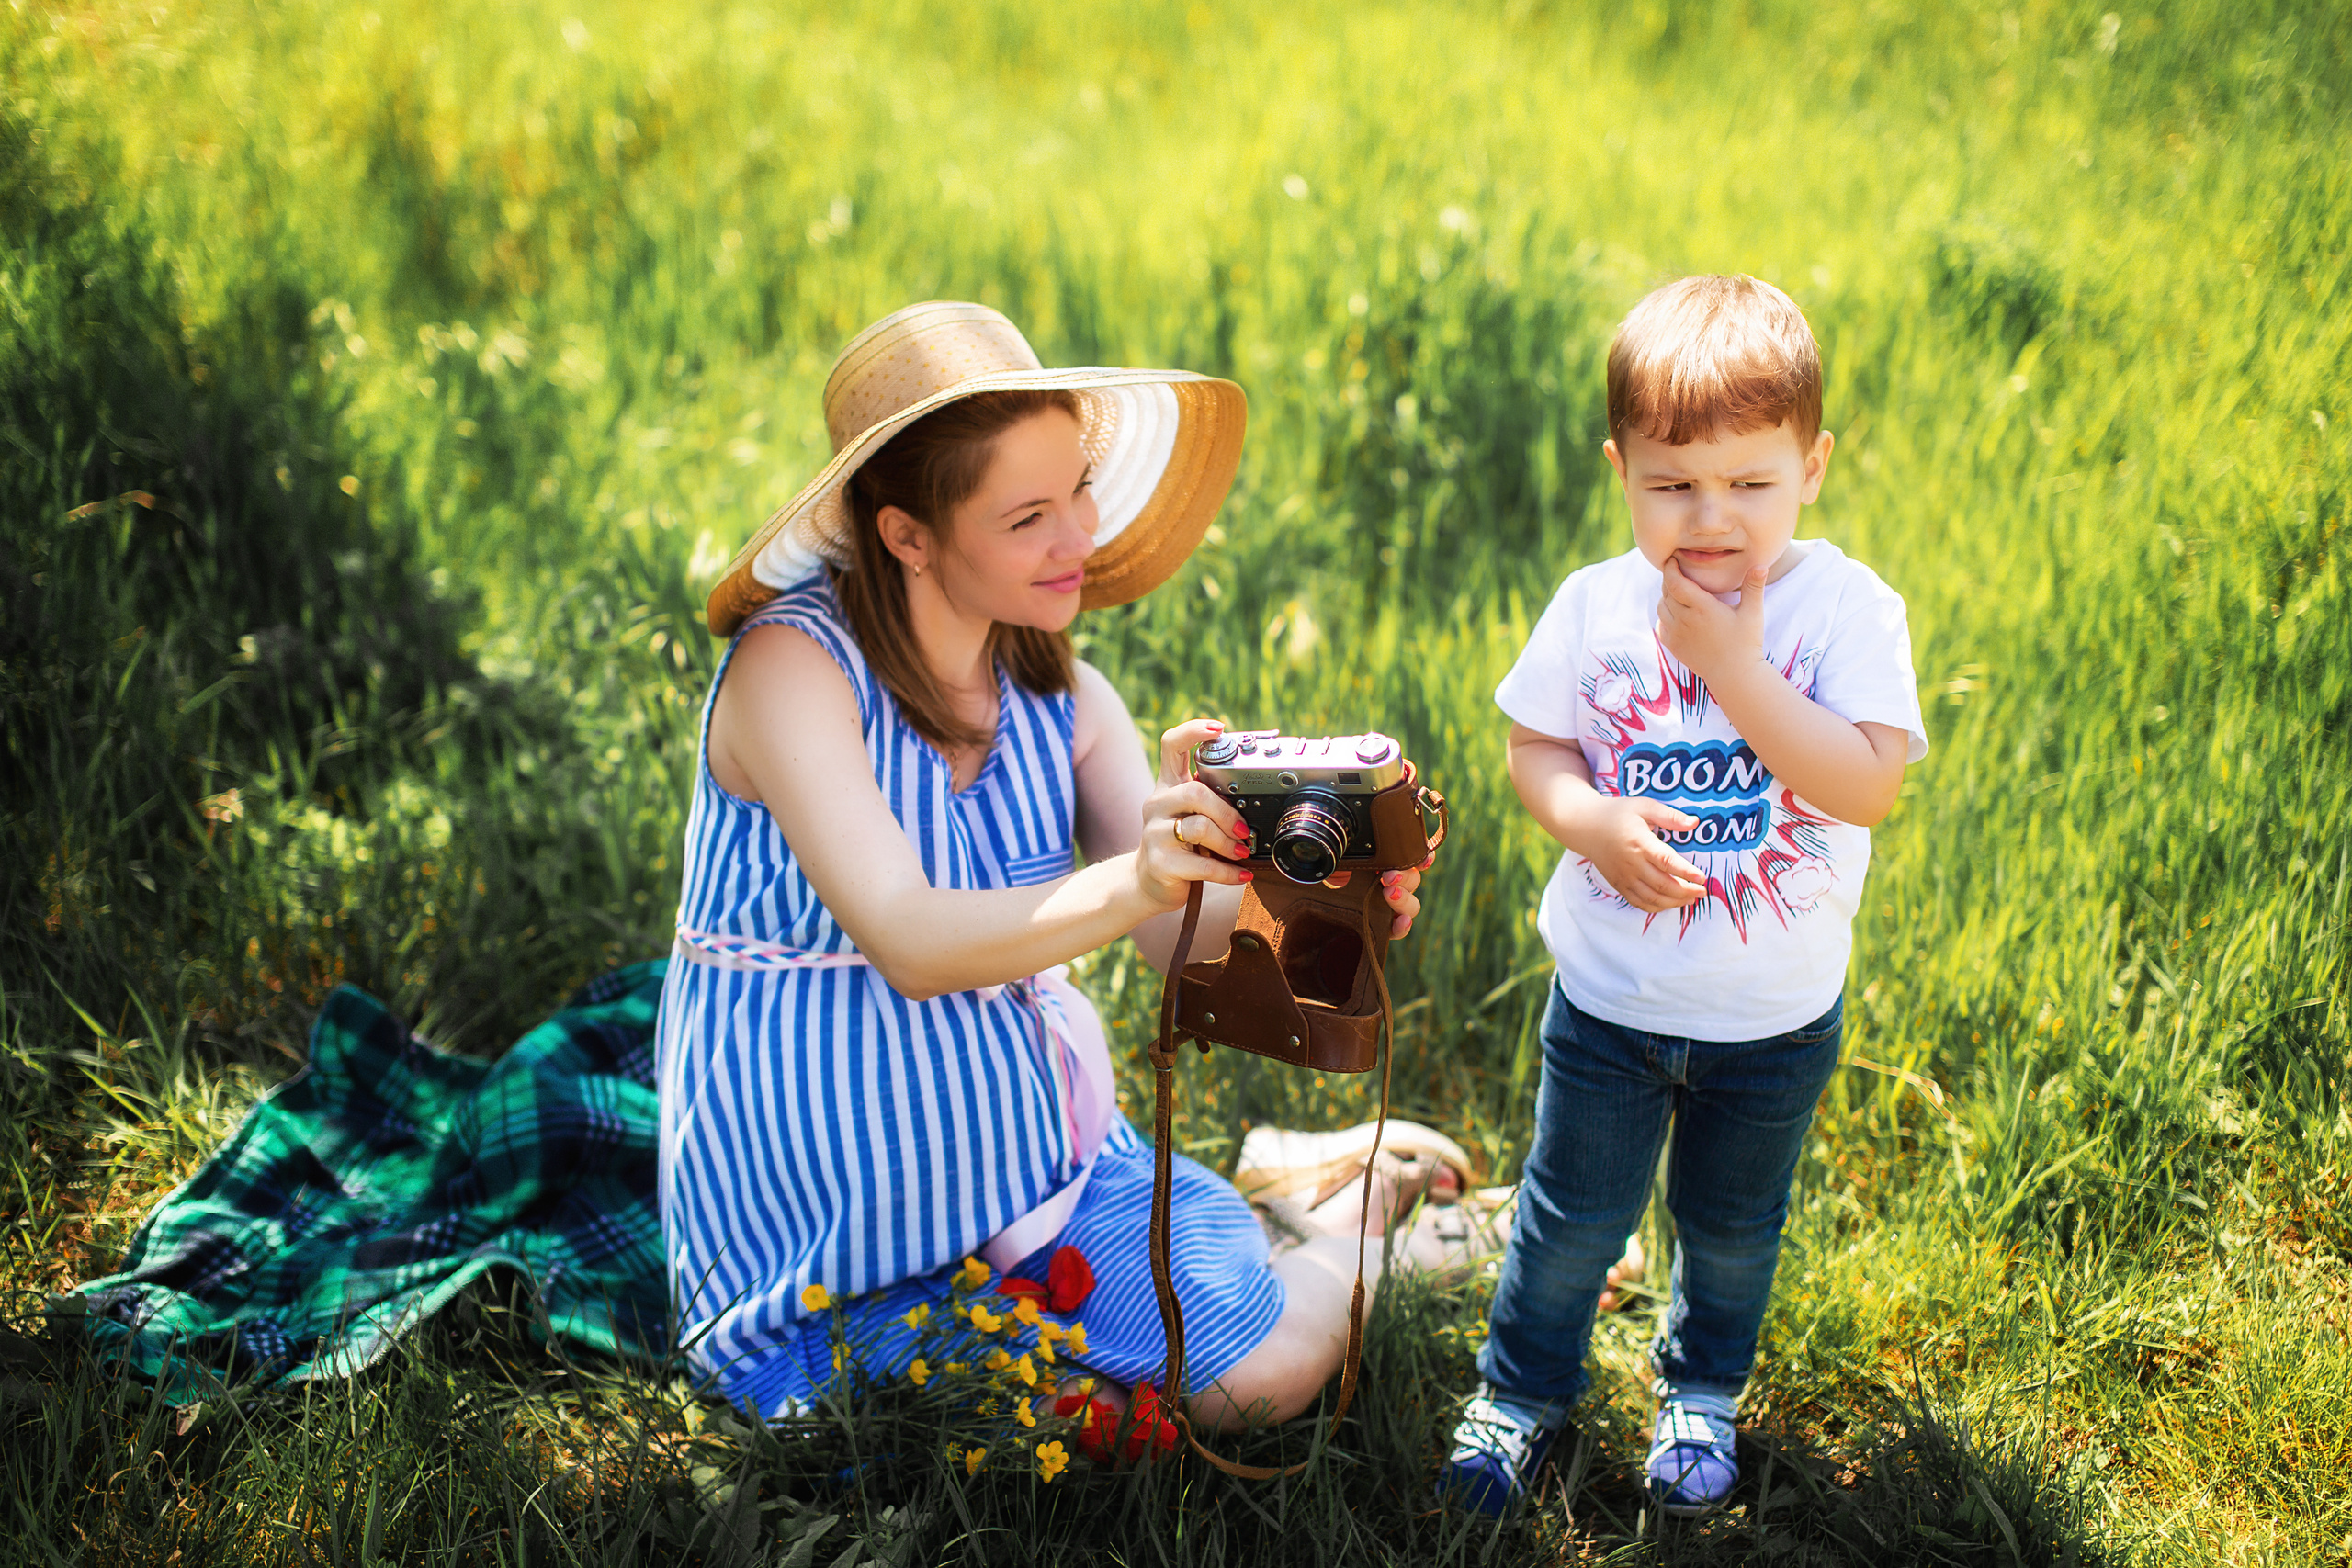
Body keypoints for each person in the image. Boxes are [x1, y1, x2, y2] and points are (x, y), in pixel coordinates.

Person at [656, 301, 1454, 1439]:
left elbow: (1170, 944)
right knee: (943, 1432)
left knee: (1251, 1382)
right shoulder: (792, 670)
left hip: (1035, 1183)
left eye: (1078, 489)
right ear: (907, 536)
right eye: (1027, 515)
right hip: (824, 1237)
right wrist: (1142, 874)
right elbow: (908, 937)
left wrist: (1313, 897)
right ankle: (1304, 1216)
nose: (1078, 534)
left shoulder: (1064, 701)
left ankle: (1360, 1241)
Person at [1441, 276, 1929, 1516]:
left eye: (1750, 484)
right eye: (1671, 485)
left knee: (1728, 1230)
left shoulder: (1848, 610)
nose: (1712, 520)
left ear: (1812, 466)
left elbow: (1867, 784)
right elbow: (1533, 748)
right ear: (1622, 470)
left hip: (1771, 1021)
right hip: (1609, 1005)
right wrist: (1592, 822)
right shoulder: (1595, 606)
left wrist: (1730, 665)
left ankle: (1700, 1387)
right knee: (1566, 1223)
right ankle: (1521, 1391)